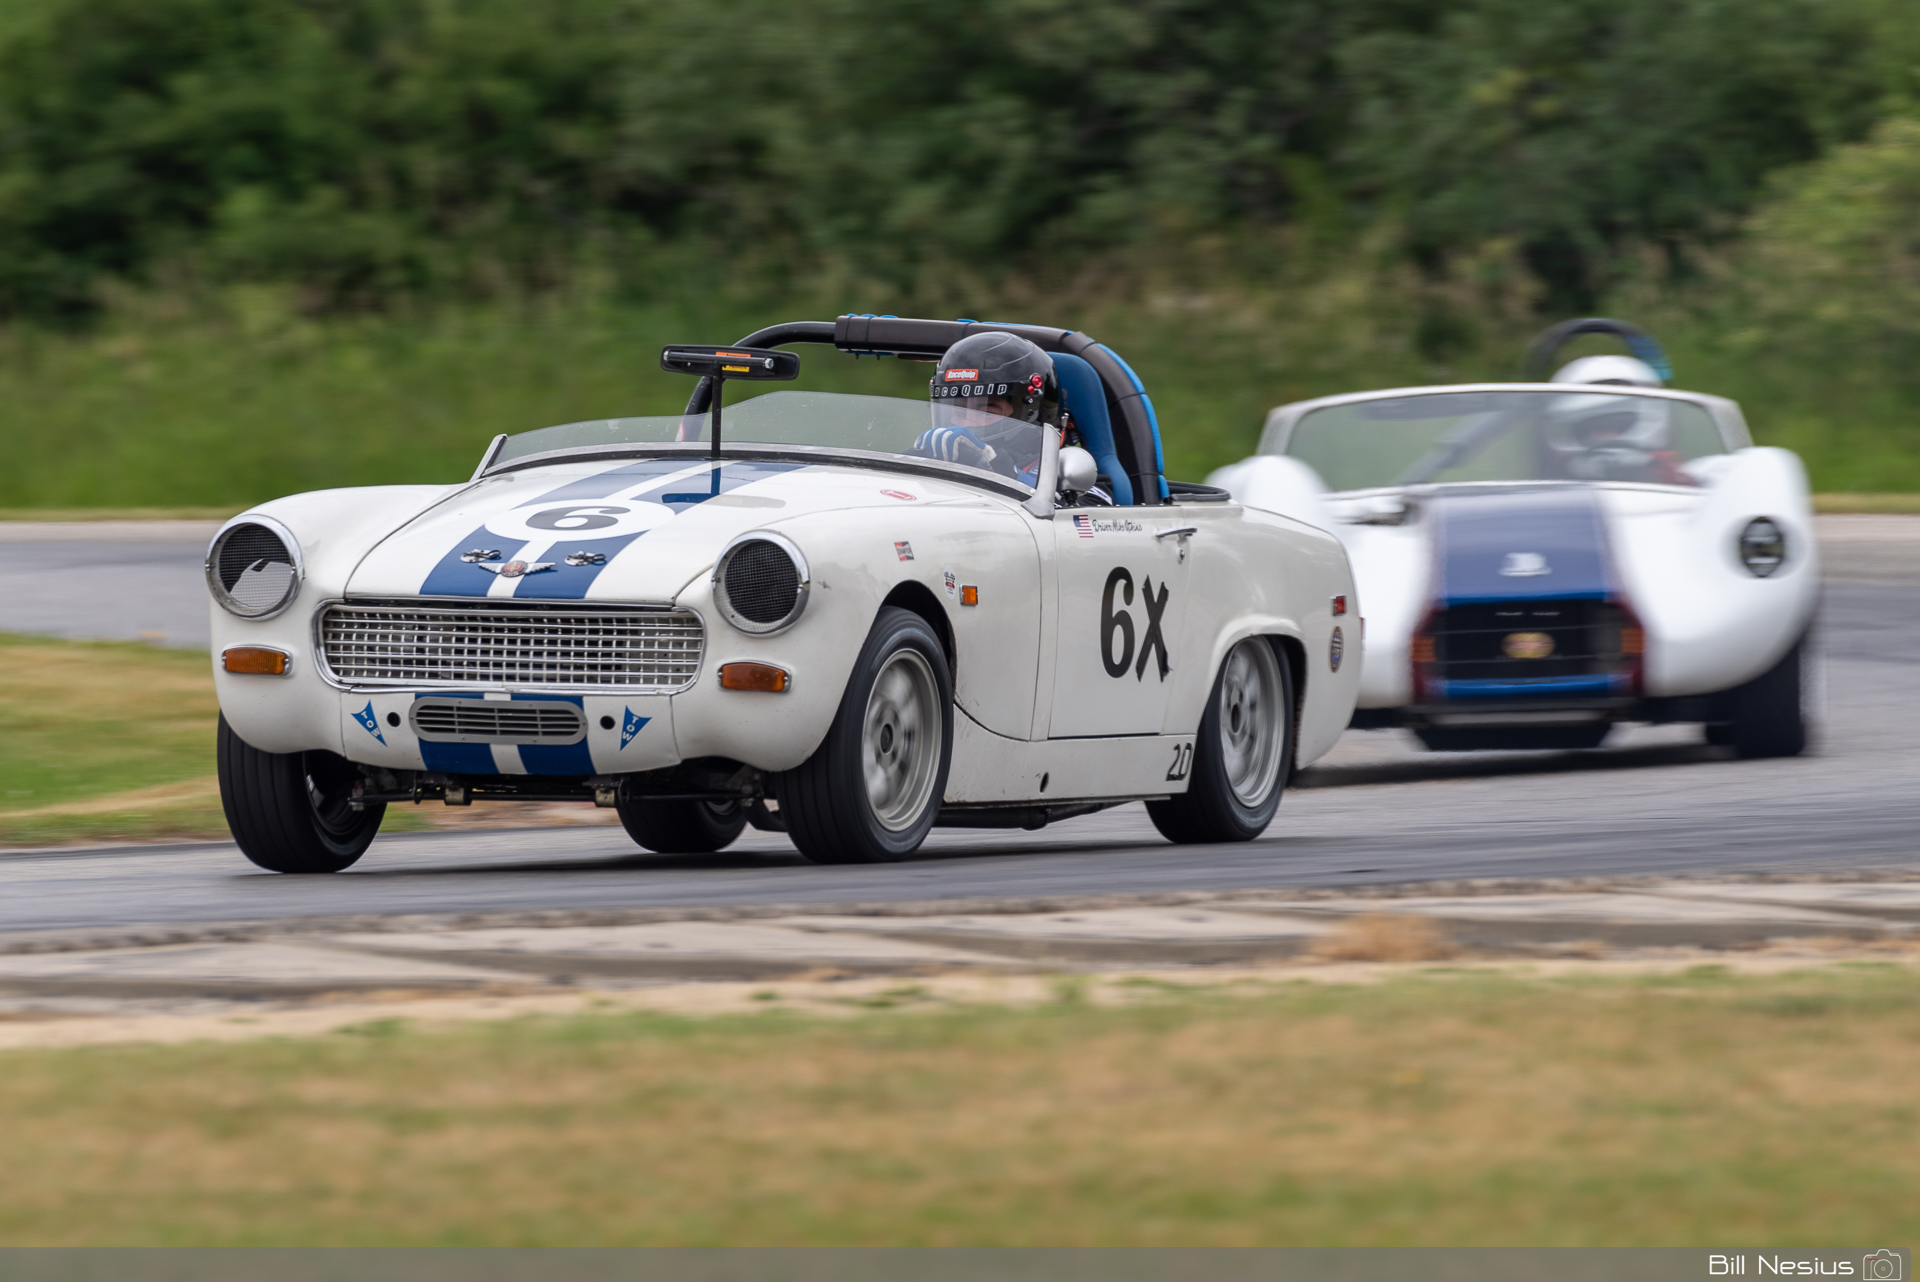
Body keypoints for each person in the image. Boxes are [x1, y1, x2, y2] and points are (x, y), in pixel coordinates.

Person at [913, 332, 1060, 485]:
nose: (964, 425)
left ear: (1031, 412)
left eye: (987, 411)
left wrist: (1001, 469)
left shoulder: (1068, 469)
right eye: (957, 412)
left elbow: (1058, 502)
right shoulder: (932, 456)